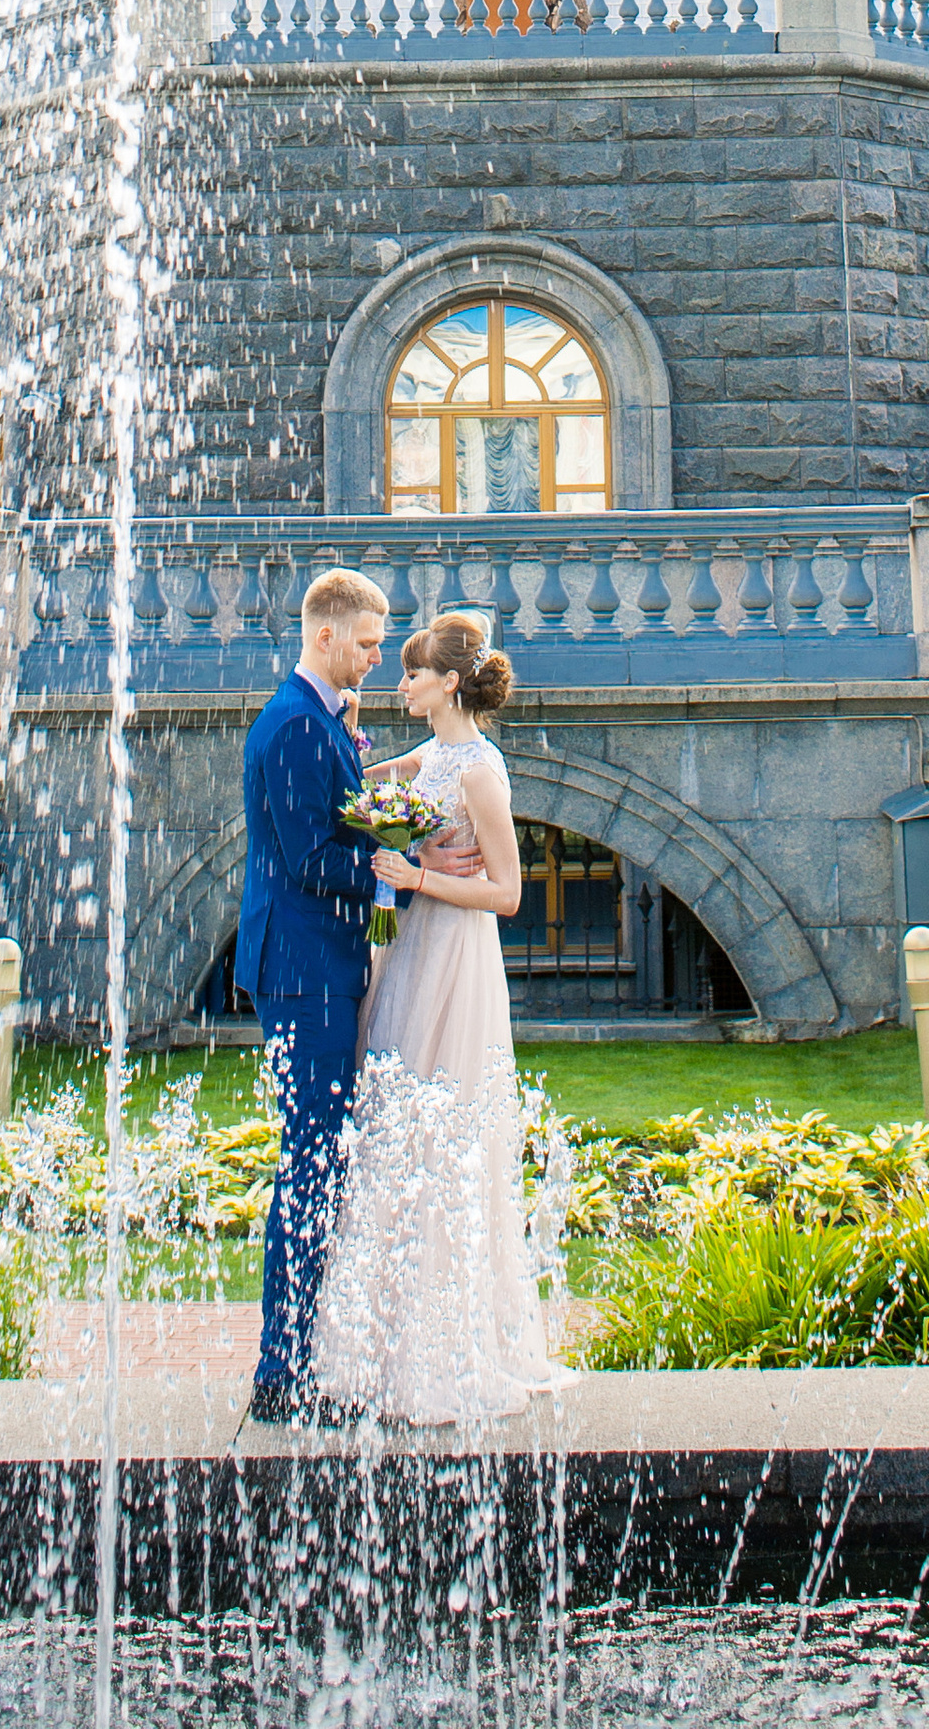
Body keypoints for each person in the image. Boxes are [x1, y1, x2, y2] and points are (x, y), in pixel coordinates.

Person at [307, 610, 565, 1424]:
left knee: (440, 1129)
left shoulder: (481, 772)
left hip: (455, 954)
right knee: (395, 1125)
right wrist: (349, 733)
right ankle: (383, 1348)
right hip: (413, 948)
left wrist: (419, 878)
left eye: (413, 673)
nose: (402, 683)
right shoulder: (434, 755)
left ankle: (447, 1349)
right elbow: (365, 786)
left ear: (449, 683)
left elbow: (508, 893)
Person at [235, 564, 388, 1423]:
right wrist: (400, 873)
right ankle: (281, 1374)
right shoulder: (296, 724)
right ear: (324, 634)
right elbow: (312, 861)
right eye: (365, 643)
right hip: (303, 972)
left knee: (320, 1160)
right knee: (312, 1164)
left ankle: (295, 1362)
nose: (374, 658)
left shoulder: (319, 717)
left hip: (313, 966)